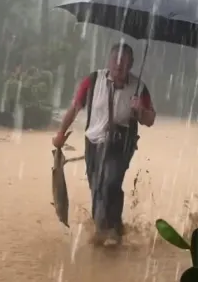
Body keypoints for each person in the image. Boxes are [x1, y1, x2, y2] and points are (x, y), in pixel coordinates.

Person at [52, 43, 156, 245]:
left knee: (110, 181)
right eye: (116, 60)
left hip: (121, 144)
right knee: (97, 186)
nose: (119, 66)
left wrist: (140, 111)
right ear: (109, 61)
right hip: (93, 142)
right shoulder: (92, 80)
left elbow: (150, 120)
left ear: (131, 64)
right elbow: (75, 108)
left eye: (124, 62)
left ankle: (106, 232)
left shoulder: (139, 88)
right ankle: (110, 227)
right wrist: (61, 134)